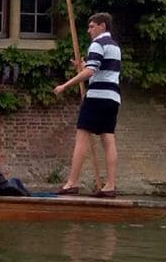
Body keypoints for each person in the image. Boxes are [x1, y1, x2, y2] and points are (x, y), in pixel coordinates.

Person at [53, 12, 121, 198]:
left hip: (97, 97)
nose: (89, 30)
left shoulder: (98, 44)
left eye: (92, 26)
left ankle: (71, 183)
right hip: (112, 98)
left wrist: (64, 86)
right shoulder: (115, 47)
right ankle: (110, 186)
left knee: (81, 138)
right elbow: (100, 69)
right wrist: (82, 66)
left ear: (102, 26)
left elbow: (91, 72)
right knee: (108, 139)